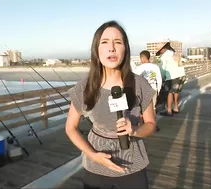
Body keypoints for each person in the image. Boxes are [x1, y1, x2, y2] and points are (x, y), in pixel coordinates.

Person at [65, 20, 156, 189]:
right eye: (105, 42)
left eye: (118, 42)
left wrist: (134, 130)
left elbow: (150, 124)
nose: (112, 48)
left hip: (132, 165)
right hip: (96, 166)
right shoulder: (84, 88)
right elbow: (70, 128)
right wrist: (92, 155)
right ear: (96, 50)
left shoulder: (140, 84)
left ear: (125, 49)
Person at [156, 42, 186, 116]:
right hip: (181, 75)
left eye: (160, 51)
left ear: (163, 49)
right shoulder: (173, 53)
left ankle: (169, 110)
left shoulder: (164, 56)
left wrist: (162, 78)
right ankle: (176, 108)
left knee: (169, 93)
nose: (160, 52)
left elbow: (162, 69)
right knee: (176, 92)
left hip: (172, 76)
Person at [133, 50, 162, 114]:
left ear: (142, 58)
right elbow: (159, 80)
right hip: (153, 89)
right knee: (153, 107)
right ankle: (153, 122)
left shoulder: (138, 68)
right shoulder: (155, 67)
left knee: (142, 109)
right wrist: (158, 90)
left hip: (143, 91)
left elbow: (135, 81)